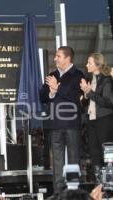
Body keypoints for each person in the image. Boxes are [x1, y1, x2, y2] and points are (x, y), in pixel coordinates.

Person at [40, 46, 85, 197]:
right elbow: (42, 97)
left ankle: (74, 193)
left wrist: (57, 89)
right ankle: (58, 193)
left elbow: (74, 96)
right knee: (57, 161)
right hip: (54, 124)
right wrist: (51, 91)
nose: (55, 58)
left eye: (58, 56)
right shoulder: (52, 75)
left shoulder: (78, 75)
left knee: (73, 158)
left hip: (72, 123)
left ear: (67, 58)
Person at [80, 53, 113, 172]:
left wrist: (89, 93)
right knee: (94, 153)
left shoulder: (106, 80)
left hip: (104, 119)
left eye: (90, 63)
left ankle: (109, 184)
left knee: (107, 153)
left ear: (97, 65)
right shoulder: (89, 79)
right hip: (91, 119)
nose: (86, 65)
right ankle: (99, 183)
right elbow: (85, 103)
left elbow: (108, 102)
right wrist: (85, 95)